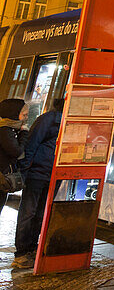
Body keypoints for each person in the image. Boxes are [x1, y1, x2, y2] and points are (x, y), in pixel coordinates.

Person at [13, 97, 64, 269]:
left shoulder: (66, 121)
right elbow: (31, 145)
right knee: (29, 212)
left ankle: (33, 248)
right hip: (37, 173)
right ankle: (21, 252)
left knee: (41, 213)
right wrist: (25, 172)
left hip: (54, 175)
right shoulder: (49, 119)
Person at [0, 98, 27, 212]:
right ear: (14, 114)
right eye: (24, 115)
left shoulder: (9, 130)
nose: (26, 118)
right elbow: (16, 151)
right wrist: (24, 133)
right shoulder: (5, 131)